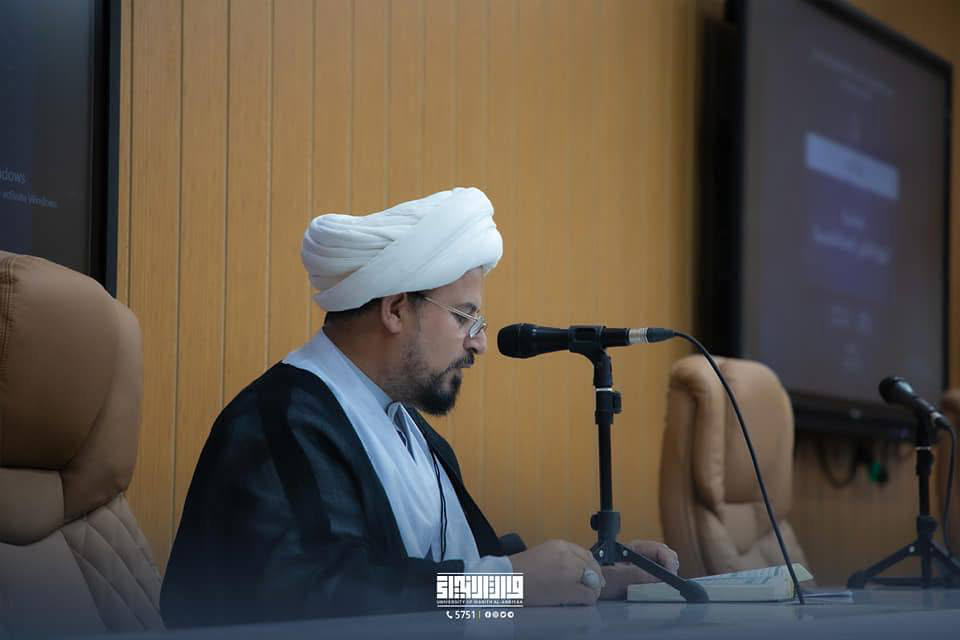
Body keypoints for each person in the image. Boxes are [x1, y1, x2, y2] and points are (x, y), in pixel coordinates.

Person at [160, 187, 679, 627]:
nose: (479, 343)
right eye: (465, 318)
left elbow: (460, 568)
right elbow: (318, 598)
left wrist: (593, 575)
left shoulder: (408, 429)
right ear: (394, 310)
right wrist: (504, 586)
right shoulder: (278, 422)